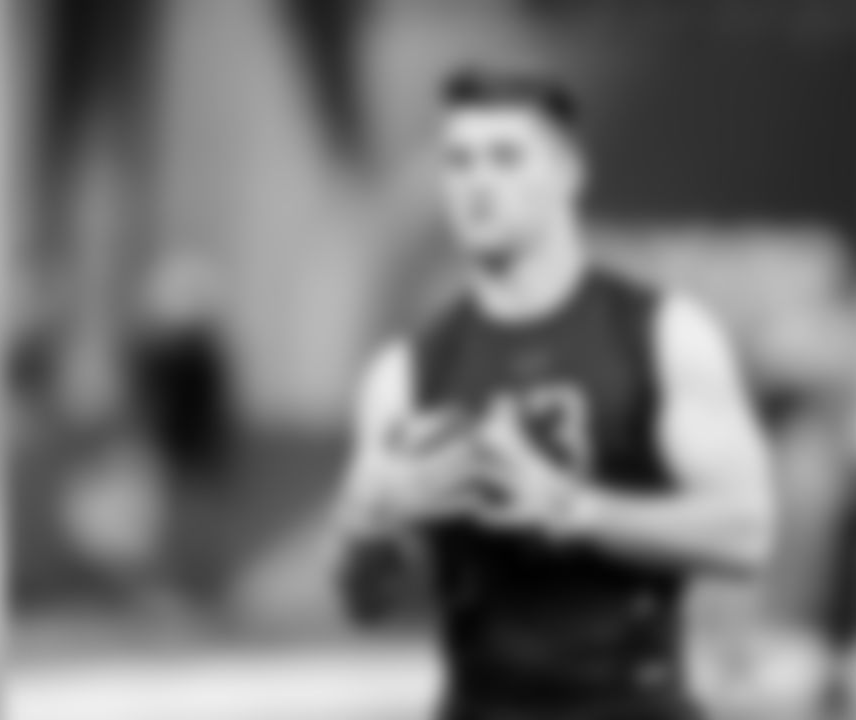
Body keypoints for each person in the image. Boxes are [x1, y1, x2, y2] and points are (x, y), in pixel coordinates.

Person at [330, 68, 774, 720]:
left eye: (506, 157)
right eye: (458, 161)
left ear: (569, 174)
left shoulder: (661, 335)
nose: (478, 183)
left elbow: (748, 533)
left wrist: (573, 510)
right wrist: (372, 528)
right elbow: (362, 603)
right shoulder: (405, 372)